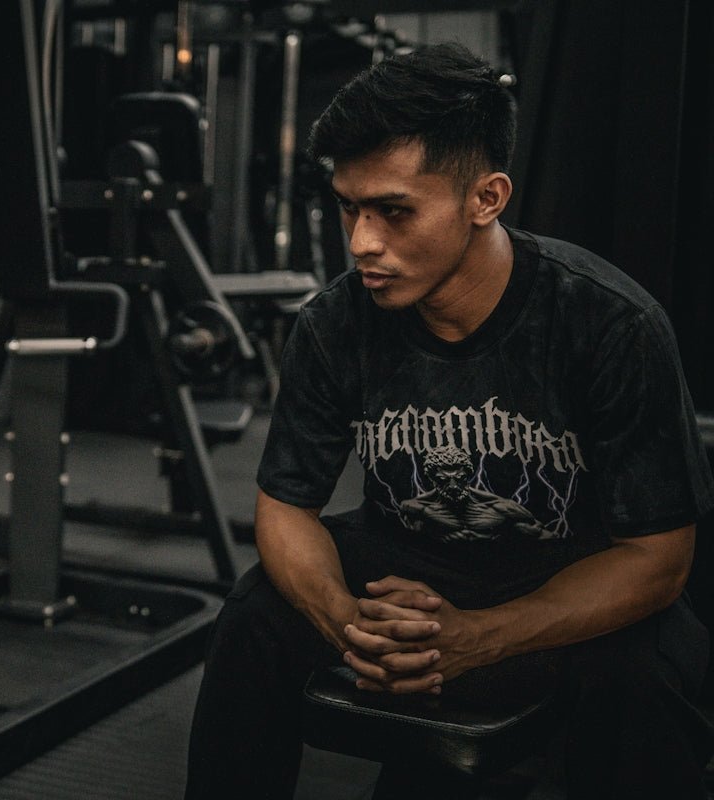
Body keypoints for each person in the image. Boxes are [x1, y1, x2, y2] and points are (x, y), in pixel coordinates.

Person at [184, 42, 713, 799]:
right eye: (349, 207)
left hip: (567, 577)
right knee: (254, 614)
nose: (361, 242)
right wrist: (346, 622)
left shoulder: (609, 323)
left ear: (485, 199)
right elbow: (285, 509)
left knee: (645, 671)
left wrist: (481, 636)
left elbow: (658, 558)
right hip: (406, 566)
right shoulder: (334, 323)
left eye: (395, 211)